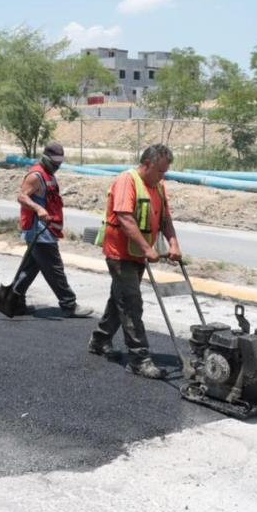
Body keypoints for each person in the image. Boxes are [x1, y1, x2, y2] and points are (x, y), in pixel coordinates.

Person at [87, 144, 181, 379]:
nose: (163, 175)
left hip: (138, 254)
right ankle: (139, 359)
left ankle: (100, 340)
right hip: (120, 254)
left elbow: (166, 219)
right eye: (160, 171)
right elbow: (125, 218)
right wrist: (147, 248)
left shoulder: (158, 187)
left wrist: (174, 244)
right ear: (147, 164)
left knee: (119, 298)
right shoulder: (126, 181)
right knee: (131, 303)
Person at [8, 142, 93, 318]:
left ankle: (13, 303)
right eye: (55, 164)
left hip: (47, 230)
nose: (57, 167)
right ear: (46, 159)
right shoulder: (36, 176)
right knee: (55, 269)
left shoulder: (49, 175)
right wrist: (38, 209)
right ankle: (69, 304)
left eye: (59, 164)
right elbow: (22, 197)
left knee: (30, 269)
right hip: (39, 232)